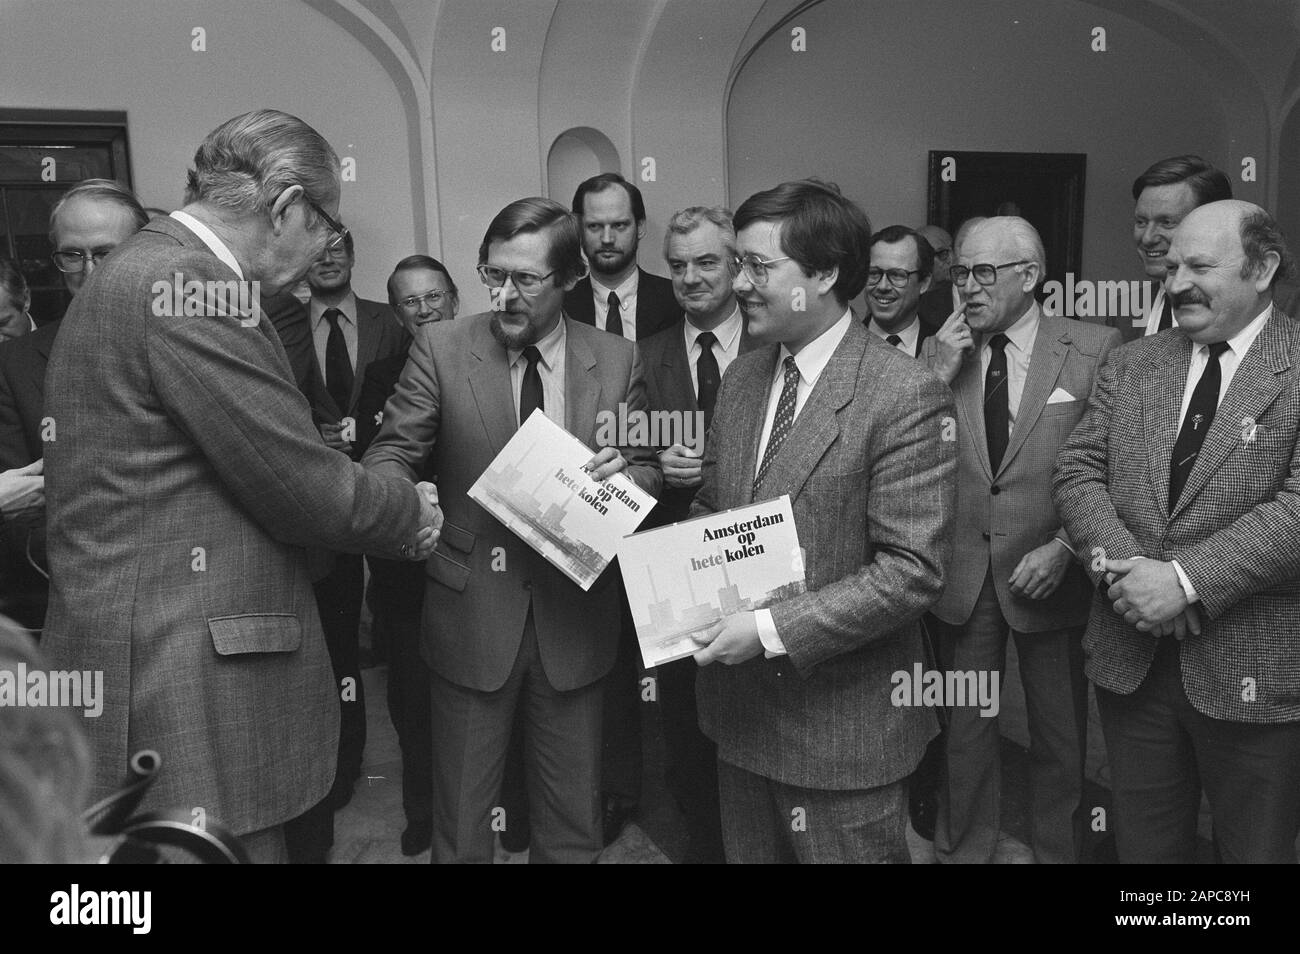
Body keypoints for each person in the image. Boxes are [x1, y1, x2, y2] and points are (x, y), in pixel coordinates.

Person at [39, 109, 438, 863]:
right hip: (183, 687)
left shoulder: (142, 270)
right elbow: (303, 487)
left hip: (146, 670)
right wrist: (406, 505)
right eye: (326, 225)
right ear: (286, 206)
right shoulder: (189, 285)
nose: (327, 246)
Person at [362, 196, 661, 863]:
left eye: (525, 280)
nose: (503, 294)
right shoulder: (442, 348)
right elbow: (390, 450)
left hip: (575, 623)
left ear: (570, 279)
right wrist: (406, 493)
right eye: (492, 274)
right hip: (470, 614)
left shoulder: (616, 360)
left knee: (570, 828)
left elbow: (645, 470)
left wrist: (625, 479)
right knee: (464, 827)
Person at [689, 179, 956, 863]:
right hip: (740, 721)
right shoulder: (745, 378)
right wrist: (615, 502)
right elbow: (714, 517)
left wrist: (771, 630)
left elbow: (911, 573)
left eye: (757, 266)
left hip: (843, 735)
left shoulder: (903, 392)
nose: (737, 284)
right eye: (737, 263)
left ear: (826, 273)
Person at [1054, 199, 1300, 863]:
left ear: (1263, 267)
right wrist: (1135, 575)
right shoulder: (1134, 362)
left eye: (1200, 265)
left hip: (1255, 667)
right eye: (1170, 267)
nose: (1176, 282)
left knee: (1255, 853)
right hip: (1132, 657)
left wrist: (1187, 583)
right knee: (1146, 853)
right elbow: (1077, 473)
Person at [922, 216, 1121, 863]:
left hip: (1052, 569)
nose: (968, 288)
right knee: (966, 728)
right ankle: (965, 846)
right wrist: (931, 373)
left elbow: (1116, 465)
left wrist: (1066, 546)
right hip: (964, 573)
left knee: (1059, 734)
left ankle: (1056, 851)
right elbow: (906, 456)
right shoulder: (940, 348)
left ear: (1029, 276)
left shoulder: (1094, 346)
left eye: (984, 272)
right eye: (959, 273)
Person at [563, 171, 678, 838]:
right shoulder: (562, 301)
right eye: (594, 225)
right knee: (604, 664)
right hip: (588, 506)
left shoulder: (679, 297)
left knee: (676, 668)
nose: (607, 237)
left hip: (674, 506)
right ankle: (615, 791)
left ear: (640, 227)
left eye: (619, 224)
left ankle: (682, 796)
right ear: (579, 231)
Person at [639, 205, 755, 863]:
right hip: (677, 560)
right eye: (677, 265)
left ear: (737, 266)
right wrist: (657, 462)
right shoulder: (644, 353)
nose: (690, 277)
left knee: (763, 712)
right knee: (686, 722)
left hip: (760, 555)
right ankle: (708, 845)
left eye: (706, 261)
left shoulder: (773, 345)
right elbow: (623, 445)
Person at [0, 181, 149, 637]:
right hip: (74, 602)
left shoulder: (193, 337)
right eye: (72, 255)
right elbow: (23, 500)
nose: (89, 270)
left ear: (143, 252)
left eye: (106, 253)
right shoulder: (18, 361)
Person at [355, 253, 459, 856]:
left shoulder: (492, 358)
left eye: (433, 297)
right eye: (409, 301)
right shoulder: (382, 373)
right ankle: (423, 810)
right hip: (408, 566)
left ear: (454, 297)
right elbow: (380, 457)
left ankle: (508, 806)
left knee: (492, 693)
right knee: (414, 701)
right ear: (397, 313)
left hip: (482, 562)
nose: (423, 310)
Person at [1112, 155, 1232, 342]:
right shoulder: (1125, 309)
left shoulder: (1271, 306)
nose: (1147, 237)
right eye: (1141, 222)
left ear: (1212, 223)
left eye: (1166, 222)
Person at [866, 225, 937, 357]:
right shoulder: (841, 342)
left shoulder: (940, 346)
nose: (883, 286)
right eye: (874, 273)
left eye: (897, 275)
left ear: (924, 283)